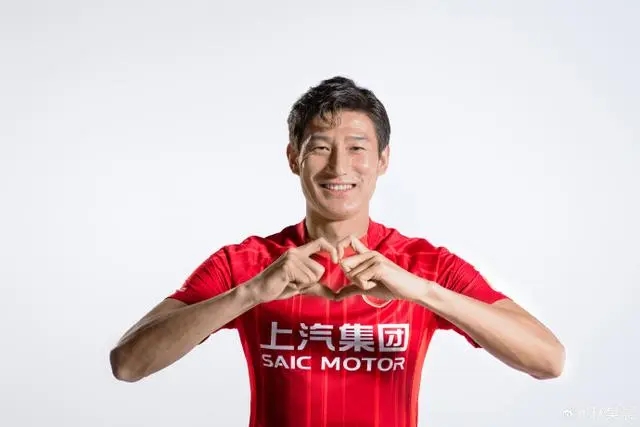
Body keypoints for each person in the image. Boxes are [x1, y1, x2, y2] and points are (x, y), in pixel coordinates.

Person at [109, 76, 565, 427]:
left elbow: (548, 360)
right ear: (293, 158)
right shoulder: (246, 264)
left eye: (357, 148)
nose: (339, 166)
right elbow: (128, 364)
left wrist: (423, 293)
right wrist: (250, 294)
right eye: (320, 148)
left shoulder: (424, 266)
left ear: (383, 160)